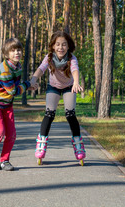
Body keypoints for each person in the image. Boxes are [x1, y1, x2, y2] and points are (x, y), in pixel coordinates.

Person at [30, 31, 86, 166]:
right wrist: (33, 79)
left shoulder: (71, 58)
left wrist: (77, 82)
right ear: (53, 46)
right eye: (58, 44)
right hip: (53, 86)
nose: (61, 47)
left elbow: (75, 70)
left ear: (68, 46)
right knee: (49, 113)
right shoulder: (48, 58)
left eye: (64, 45)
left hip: (69, 86)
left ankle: (78, 143)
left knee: (70, 114)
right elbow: (41, 69)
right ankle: (41, 142)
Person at [0, 38, 38, 171]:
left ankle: (4, 161)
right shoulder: (5, 70)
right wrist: (27, 84)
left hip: (6, 103)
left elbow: (14, 86)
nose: (16, 53)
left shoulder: (17, 66)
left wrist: (26, 86)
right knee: (0, 131)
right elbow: (12, 90)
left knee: (11, 134)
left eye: (18, 50)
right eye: (13, 51)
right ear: (6, 54)